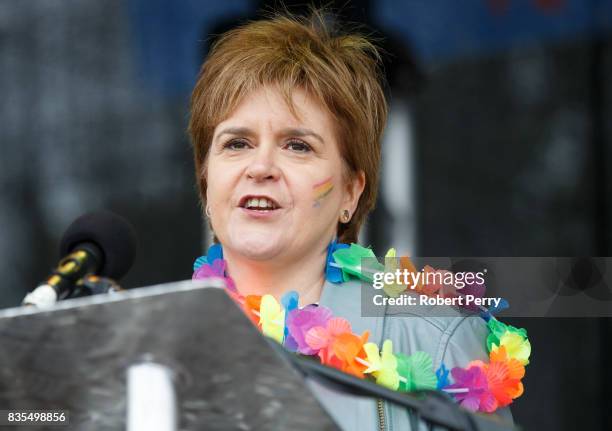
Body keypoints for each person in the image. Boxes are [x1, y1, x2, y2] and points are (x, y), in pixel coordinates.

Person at [188, 8, 520, 430]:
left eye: (297, 146)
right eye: (236, 143)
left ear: (351, 192)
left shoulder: (440, 340)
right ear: (206, 180)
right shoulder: (156, 346)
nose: (260, 167)